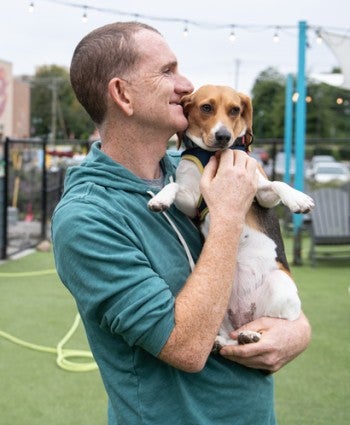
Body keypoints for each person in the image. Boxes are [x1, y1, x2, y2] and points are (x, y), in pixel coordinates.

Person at [52, 21, 311, 425]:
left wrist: (297, 331)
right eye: (167, 71)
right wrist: (225, 215)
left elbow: (268, 258)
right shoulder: (86, 218)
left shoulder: (196, 167)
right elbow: (187, 347)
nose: (185, 83)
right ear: (122, 94)